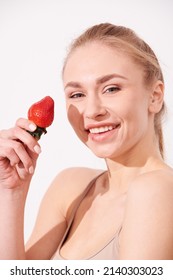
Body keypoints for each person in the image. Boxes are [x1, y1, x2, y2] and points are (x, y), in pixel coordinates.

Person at [0, 22, 173, 260]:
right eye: (77, 94)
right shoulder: (70, 187)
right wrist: (11, 191)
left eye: (111, 89)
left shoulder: (158, 189)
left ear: (154, 97)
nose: (91, 111)